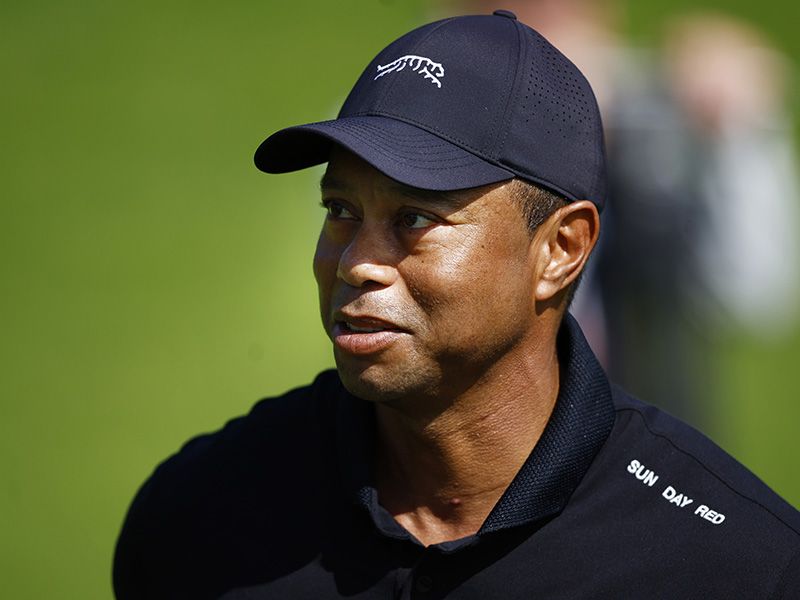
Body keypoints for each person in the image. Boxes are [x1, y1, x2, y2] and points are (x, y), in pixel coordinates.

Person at [113, 10, 800, 599]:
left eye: (414, 218)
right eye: (341, 210)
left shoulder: (739, 566)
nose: (354, 263)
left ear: (561, 250)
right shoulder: (196, 517)